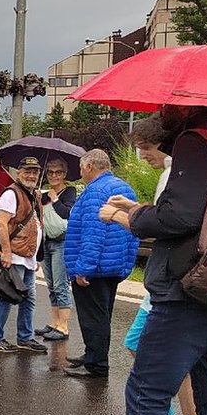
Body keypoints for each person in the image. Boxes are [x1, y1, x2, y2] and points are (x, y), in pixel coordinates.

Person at [80, 107, 207, 415]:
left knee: (146, 396)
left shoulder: (196, 141)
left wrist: (131, 214)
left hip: (188, 295)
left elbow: (177, 217)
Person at [119, 114, 204, 415]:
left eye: (145, 149)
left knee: (173, 374)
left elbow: (173, 223)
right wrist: (136, 209)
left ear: (163, 143)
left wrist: (128, 218)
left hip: (172, 286)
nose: (142, 156)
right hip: (170, 285)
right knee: (137, 345)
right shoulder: (187, 168)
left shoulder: (178, 172)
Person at [62, 149, 138, 379]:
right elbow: (134, 230)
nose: (80, 171)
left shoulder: (96, 191)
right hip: (114, 266)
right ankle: (92, 354)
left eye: (81, 167)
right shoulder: (124, 188)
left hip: (94, 268)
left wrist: (83, 268)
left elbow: (92, 235)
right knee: (102, 314)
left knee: (92, 317)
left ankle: (96, 364)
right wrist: (126, 265)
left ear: (90, 166)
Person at [0, 157, 48, 354]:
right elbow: (1, 223)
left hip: (27, 256)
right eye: (27, 171)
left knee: (28, 299)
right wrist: (7, 252)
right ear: (18, 172)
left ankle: (25, 338)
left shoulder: (33, 195)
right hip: (15, 254)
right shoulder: (11, 193)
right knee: (8, 296)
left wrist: (35, 256)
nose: (31, 175)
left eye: (35, 171)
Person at [34, 158, 77, 341]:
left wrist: (55, 199)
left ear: (64, 174)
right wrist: (37, 200)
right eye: (50, 172)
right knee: (51, 285)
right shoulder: (42, 194)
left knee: (61, 285)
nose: (53, 176)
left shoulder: (69, 191)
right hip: (46, 242)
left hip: (62, 242)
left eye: (58, 172)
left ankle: (63, 326)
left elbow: (66, 213)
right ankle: (54, 322)